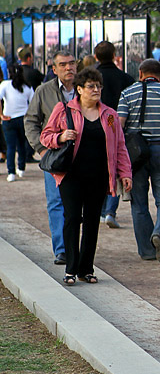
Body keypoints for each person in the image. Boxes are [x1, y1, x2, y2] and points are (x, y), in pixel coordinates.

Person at [40, 68, 133, 286]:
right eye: (91, 86)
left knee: (92, 221)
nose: (96, 90)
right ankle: (71, 269)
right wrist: (60, 136)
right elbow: (45, 136)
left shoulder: (109, 115)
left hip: (99, 176)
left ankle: (86, 268)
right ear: (79, 89)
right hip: (71, 175)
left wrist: (125, 173)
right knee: (72, 218)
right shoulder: (64, 110)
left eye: (98, 86)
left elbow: (119, 146)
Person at [117, 59, 160, 263]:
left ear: (141, 74)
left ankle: (147, 250)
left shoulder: (127, 94)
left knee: (139, 203)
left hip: (135, 154)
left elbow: (119, 125)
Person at [24, 51, 76, 265]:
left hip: (82, 155)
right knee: (56, 203)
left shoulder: (86, 89)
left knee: (79, 204)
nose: (68, 68)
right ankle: (62, 249)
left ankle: (76, 247)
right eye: (63, 64)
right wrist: (42, 149)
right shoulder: (44, 91)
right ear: (54, 69)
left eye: (72, 63)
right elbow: (31, 122)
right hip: (54, 156)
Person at [95, 40, 135, 228]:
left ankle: (101, 210)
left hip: (96, 124)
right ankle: (111, 209)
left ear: (96, 57)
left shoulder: (93, 78)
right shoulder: (125, 78)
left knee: (99, 168)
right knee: (116, 167)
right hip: (117, 124)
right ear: (114, 55)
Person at [0, 64, 34, 181]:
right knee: (21, 145)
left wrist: (1, 114)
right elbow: (33, 103)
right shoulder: (27, 87)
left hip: (8, 119)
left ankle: (11, 172)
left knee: (10, 146)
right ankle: (21, 168)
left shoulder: (5, 85)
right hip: (24, 119)